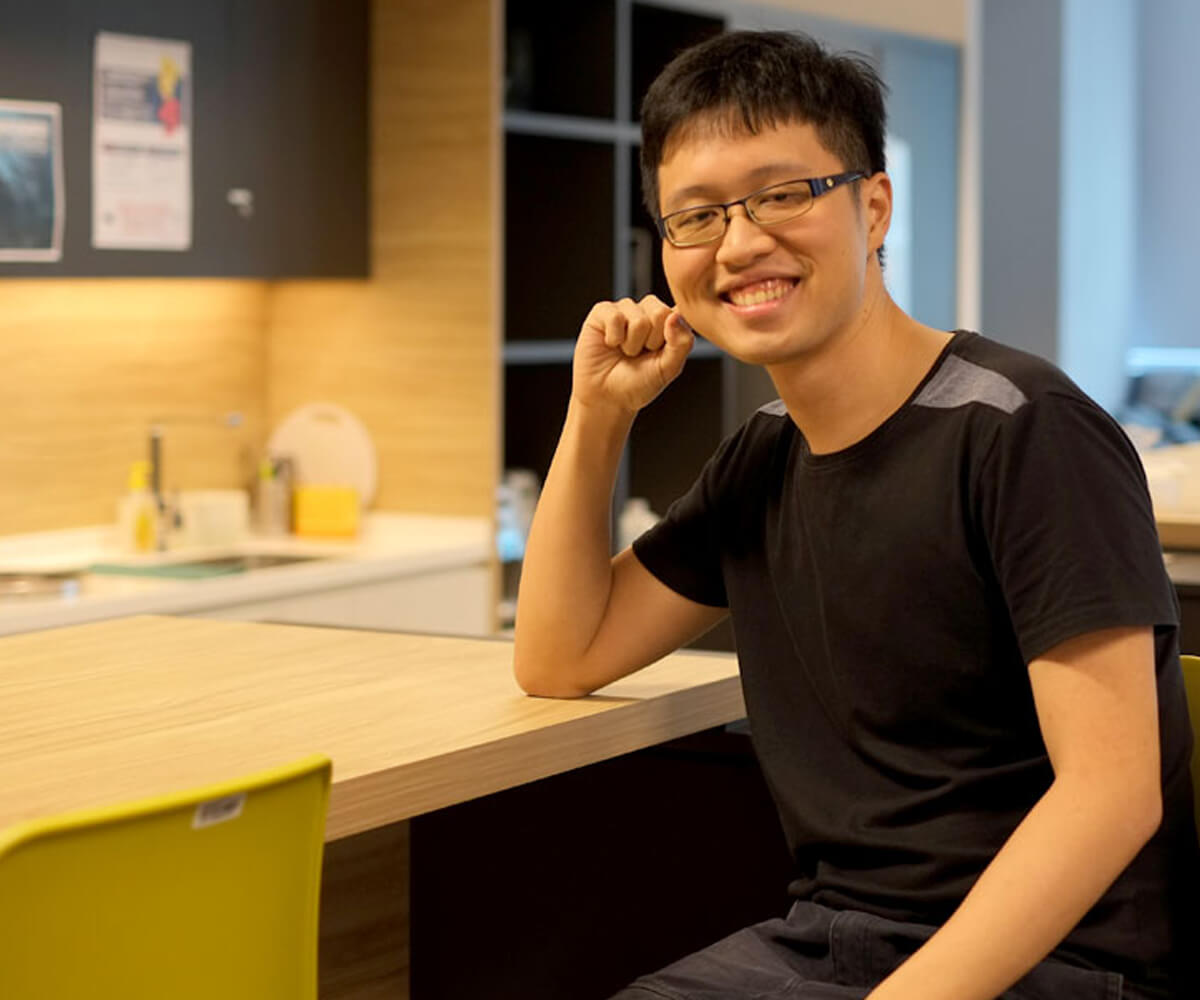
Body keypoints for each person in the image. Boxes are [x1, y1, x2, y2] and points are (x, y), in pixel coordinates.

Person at [512, 29, 1197, 1000]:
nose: (742, 242)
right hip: (832, 944)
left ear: (874, 205)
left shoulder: (1023, 430)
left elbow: (1111, 792)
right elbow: (560, 653)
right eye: (696, 216)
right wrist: (596, 415)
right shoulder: (764, 456)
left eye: (784, 193)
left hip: (1063, 965)